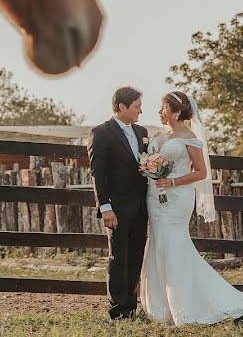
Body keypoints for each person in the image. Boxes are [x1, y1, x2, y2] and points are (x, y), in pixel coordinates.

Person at [140, 90, 243, 325]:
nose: (160, 111)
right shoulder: (158, 135)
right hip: (155, 198)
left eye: (164, 107)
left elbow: (201, 172)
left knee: (173, 243)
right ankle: (161, 307)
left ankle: (186, 305)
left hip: (177, 198)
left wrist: (173, 181)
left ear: (177, 112)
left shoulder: (190, 138)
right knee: (157, 243)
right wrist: (151, 171)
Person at [87, 86, 149, 320]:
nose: (140, 111)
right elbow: (97, 175)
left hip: (141, 208)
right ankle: (117, 309)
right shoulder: (101, 133)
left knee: (136, 256)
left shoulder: (141, 131)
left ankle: (131, 307)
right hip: (117, 209)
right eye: (136, 106)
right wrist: (105, 208)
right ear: (122, 107)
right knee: (118, 258)